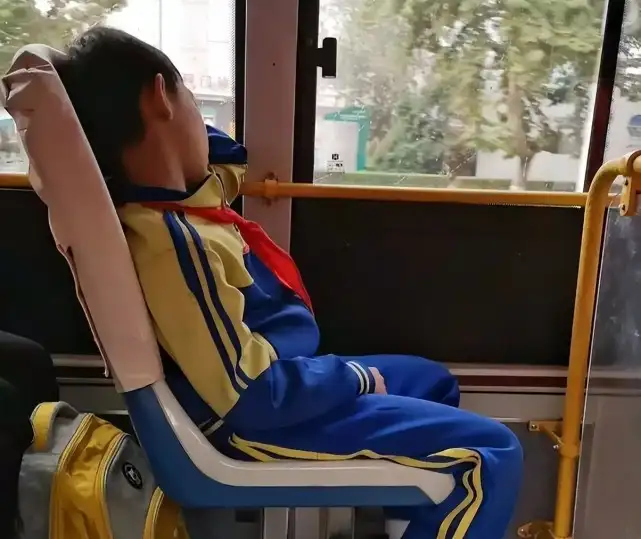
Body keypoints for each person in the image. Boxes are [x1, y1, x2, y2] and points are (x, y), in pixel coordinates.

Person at [54, 26, 523, 539]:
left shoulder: (183, 202)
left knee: (433, 382)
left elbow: (230, 158)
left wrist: (137, 125)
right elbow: (250, 394)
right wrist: (353, 378)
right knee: (488, 454)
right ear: (159, 97)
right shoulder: (175, 244)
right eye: (189, 95)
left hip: (277, 385)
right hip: (249, 424)